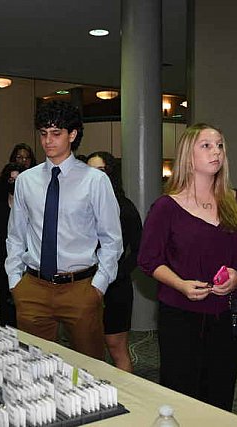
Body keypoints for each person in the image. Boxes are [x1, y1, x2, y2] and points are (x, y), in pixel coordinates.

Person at [137, 123, 237, 411]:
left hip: (227, 314)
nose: (216, 152)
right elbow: (149, 259)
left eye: (220, 145)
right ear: (188, 154)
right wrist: (180, 284)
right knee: (180, 393)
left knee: (220, 392)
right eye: (206, 145)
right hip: (180, 315)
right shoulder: (166, 207)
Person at [5, 100, 123, 360]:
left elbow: (112, 240)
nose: (48, 141)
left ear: (72, 134)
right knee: (33, 369)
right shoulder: (26, 180)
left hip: (80, 288)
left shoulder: (95, 181)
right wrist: (16, 281)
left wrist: (98, 287)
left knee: (91, 371)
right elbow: (16, 235)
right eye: (44, 134)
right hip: (33, 287)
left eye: (56, 133)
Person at [86, 151, 142, 372]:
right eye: (89, 171)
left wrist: (115, 273)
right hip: (83, 286)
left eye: (100, 171)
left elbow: (140, 250)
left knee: (116, 347)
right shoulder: (79, 206)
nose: (95, 177)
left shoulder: (124, 207)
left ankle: (128, 401)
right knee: (87, 349)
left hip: (116, 287)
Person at [0, 162, 27, 327]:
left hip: (26, 266)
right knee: (5, 310)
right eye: (11, 180)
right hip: (2, 264)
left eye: (18, 180)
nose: (14, 184)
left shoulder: (30, 206)